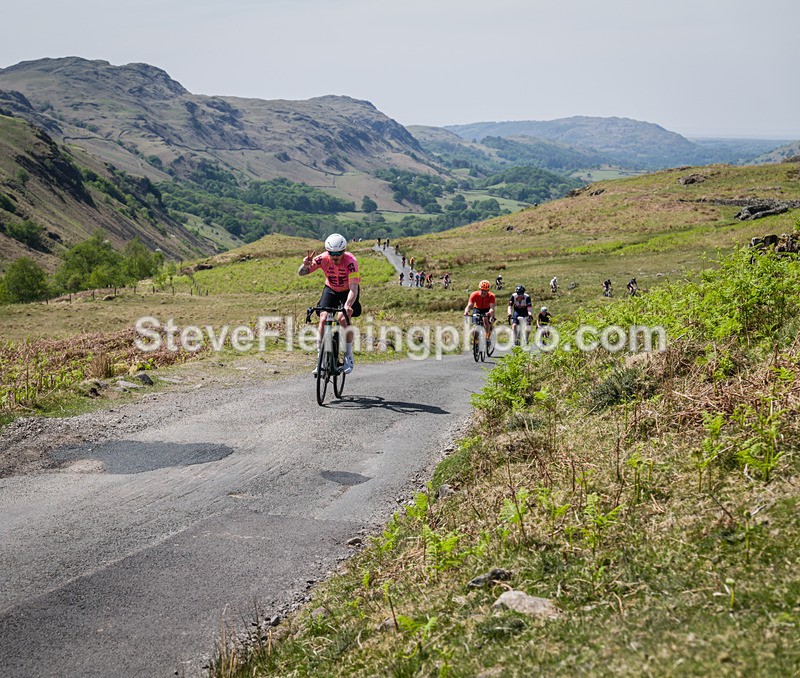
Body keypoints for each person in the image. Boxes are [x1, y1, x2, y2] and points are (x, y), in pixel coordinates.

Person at [299, 233, 361, 375]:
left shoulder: (351, 262)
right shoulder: (322, 258)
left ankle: (348, 357)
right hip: (331, 289)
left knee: (342, 318)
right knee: (323, 318)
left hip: (348, 291)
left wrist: (348, 305)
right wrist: (305, 265)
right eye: (332, 253)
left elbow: (354, 288)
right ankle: (320, 360)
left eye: (338, 253)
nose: (335, 256)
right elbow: (301, 273)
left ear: (344, 251)